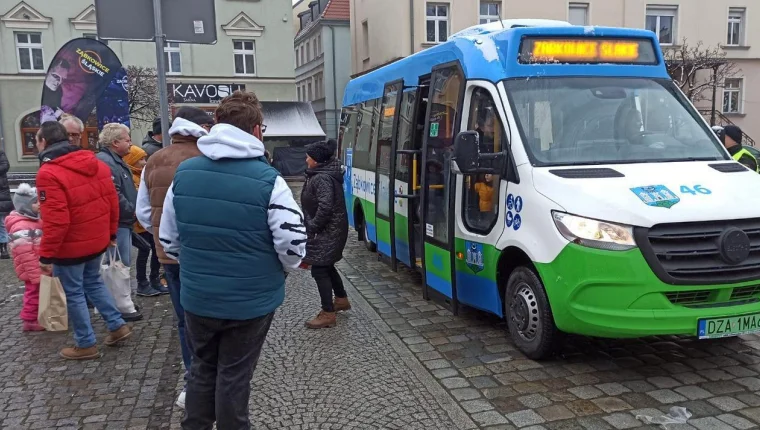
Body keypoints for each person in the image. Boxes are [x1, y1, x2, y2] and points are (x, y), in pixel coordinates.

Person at [159, 91, 306, 428]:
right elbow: (294, 246)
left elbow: (168, 239)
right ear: (256, 130)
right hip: (251, 300)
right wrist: (280, 270)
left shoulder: (185, 173)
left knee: (202, 367)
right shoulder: (270, 181)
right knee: (235, 373)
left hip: (198, 296)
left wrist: (199, 265)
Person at [35, 121, 132, 360]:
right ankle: (117, 325)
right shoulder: (95, 163)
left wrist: (46, 255)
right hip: (96, 239)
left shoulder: (49, 172)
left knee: (75, 292)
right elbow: (112, 203)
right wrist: (110, 234)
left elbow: (56, 220)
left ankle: (86, 342)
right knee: (94, 283)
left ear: (44, 142)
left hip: (70, 246)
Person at [137, 106, 213, 409]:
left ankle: (193, 379)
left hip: (168, 255)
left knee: (185, 320)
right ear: (202, 127)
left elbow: (143, 210)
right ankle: (217, 378)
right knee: (213, 315)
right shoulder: (208, 157)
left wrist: (160, 235)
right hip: (205, 253)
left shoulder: (154, 160)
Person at [97, 124, 160, 299]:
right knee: (117, 265)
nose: (131, 143)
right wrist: (132, 209)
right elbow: (114, 193)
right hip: (118, 222)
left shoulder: (115, 161)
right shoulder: (108, 162)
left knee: (121, 264)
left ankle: (121, 300)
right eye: (127, 139)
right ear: (115, 142)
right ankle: (119, 303)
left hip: (123, 221)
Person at [301, 140, 350, 329]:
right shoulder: (322, 174)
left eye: (308, 157)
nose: (306, 159)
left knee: (320, 268)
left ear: (316, 160)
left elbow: (325, 206)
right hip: (331, 229)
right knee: (326, 265)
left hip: (328, 231)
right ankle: (341, 300)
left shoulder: (322, 178)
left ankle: (328, 313)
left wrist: (313, 226)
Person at [123, 145, 165, 295]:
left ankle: (154, 279)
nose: (144, 162)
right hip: (137, 224)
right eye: (141, 159)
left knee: (154, 250)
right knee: (145, 249)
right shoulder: (131, 177)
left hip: (145, 222)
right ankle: (142, 282)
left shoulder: (143, 174)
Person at [5, 183, 44, 332]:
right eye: (35, 202)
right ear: (25, 206)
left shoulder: (34, 222)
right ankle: (29, 320)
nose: (39, 204)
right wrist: (35, 273)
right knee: (33, 293)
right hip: (32, 268)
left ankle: (37, 315)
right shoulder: (21, 226)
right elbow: (24, 253)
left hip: (38, 265)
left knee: (37, 292)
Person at [0, 149, 12, 259]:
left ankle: (3, 248)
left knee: (2, 223)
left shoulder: (0, 152)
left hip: (1, 193)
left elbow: (5, 166)